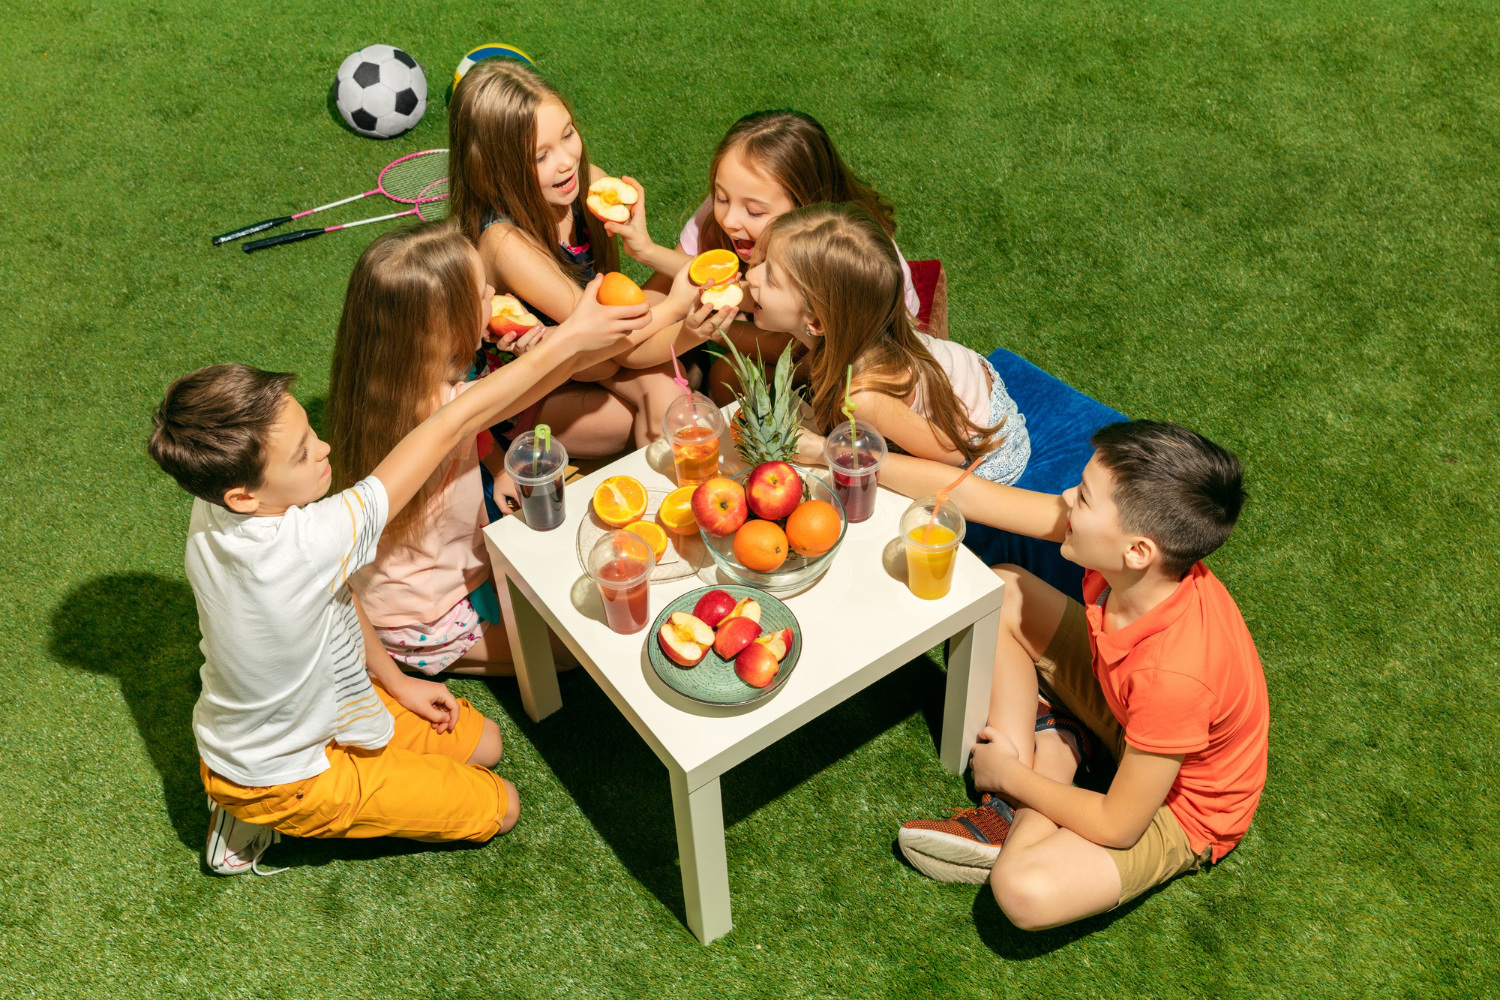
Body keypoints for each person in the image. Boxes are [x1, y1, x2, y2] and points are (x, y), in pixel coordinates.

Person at [146, 281, 649, 875]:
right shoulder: (307, 542)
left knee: (487, 745)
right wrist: (571, 339)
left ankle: (322, 754)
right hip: (282, 777)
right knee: (502, 806)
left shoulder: (217, 508)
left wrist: (397, 682)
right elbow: (448, 424)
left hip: (329, 706)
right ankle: (253, 813)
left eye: (311, 435)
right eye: (304, 454)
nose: (326, 447)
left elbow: (338, 593)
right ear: (245, 494)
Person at [885, 421, 1268, 929]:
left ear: (1137, 550)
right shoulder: (1132, 563)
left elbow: (1119, 824)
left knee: (1022, 890)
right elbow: (970, 494)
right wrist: (835, 455)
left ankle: (1034, 772)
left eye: (1083, 498)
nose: (1066, 497)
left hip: (1179, 806)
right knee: (1003, 591)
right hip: (1128, 715)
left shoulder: (1175, 674)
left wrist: (1012, 773)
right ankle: (1027, 781)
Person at [447, 58, 690, 455]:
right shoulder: (505, 243)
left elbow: (609, 326)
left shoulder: (587, 182)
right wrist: (677, 309)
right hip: (531, 389)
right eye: (540, 156)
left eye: (568, 134)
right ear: (494, 172)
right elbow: (601, 332)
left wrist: (638, 244)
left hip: (595, 353)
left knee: (669, 398)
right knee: (647, 410)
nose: (566, 161)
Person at [615, 109, 921, 405]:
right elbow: (671, 298)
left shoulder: (844, 257)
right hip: (780, 332)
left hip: (846, 359)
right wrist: (646, 251)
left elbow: (790, 349)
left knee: (728, 377)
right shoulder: (729, 208)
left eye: (755, 211)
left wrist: (712, 327)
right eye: (721, 197)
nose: (730, 219)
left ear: (806, 207)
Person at [762, 203, 1029, 484]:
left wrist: (824, 450)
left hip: (987, 451)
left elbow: (950, 456)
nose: (751, 278)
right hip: (962, 384)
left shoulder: (862, 397)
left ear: (816, 322)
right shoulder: (856, 328)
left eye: (769, 277)